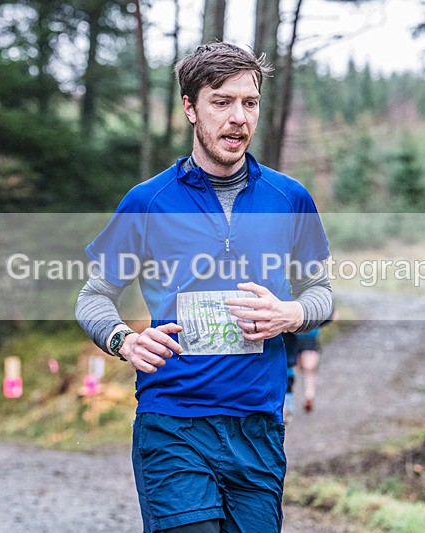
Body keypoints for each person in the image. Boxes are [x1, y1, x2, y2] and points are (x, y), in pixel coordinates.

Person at [75, 42, 332, 533]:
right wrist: (123, 340)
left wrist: (292, 315)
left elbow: (320, 292)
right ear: (190, 108)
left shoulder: (289, 198)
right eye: (222, 102)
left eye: (249, 103)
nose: (238, 118)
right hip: (172, 421)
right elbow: (94, 296)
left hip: (257, 426)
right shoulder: (148, 201)